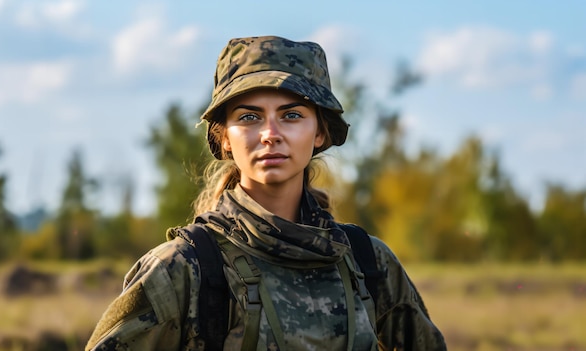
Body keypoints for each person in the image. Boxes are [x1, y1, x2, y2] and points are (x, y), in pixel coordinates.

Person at [85, 35, 446, 351]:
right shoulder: (184, 268)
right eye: (249, 117)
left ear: (319, 133)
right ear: (225, 138)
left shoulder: (368, 262)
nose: (270, 133)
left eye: (291, 116)